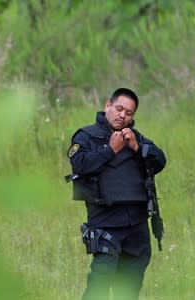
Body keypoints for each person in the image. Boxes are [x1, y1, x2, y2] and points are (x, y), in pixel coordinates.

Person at [66, 88, 166, 300]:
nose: (123, 115)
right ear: (108, 106)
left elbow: (160, 161)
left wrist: (138, 148)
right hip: (105, 223)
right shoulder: (86, 137)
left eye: (129, 113)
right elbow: (80, 165)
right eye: (120, 109)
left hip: (136, 224)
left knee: (129, 288)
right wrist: (110, 150)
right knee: (100, 283)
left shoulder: (135, 138)